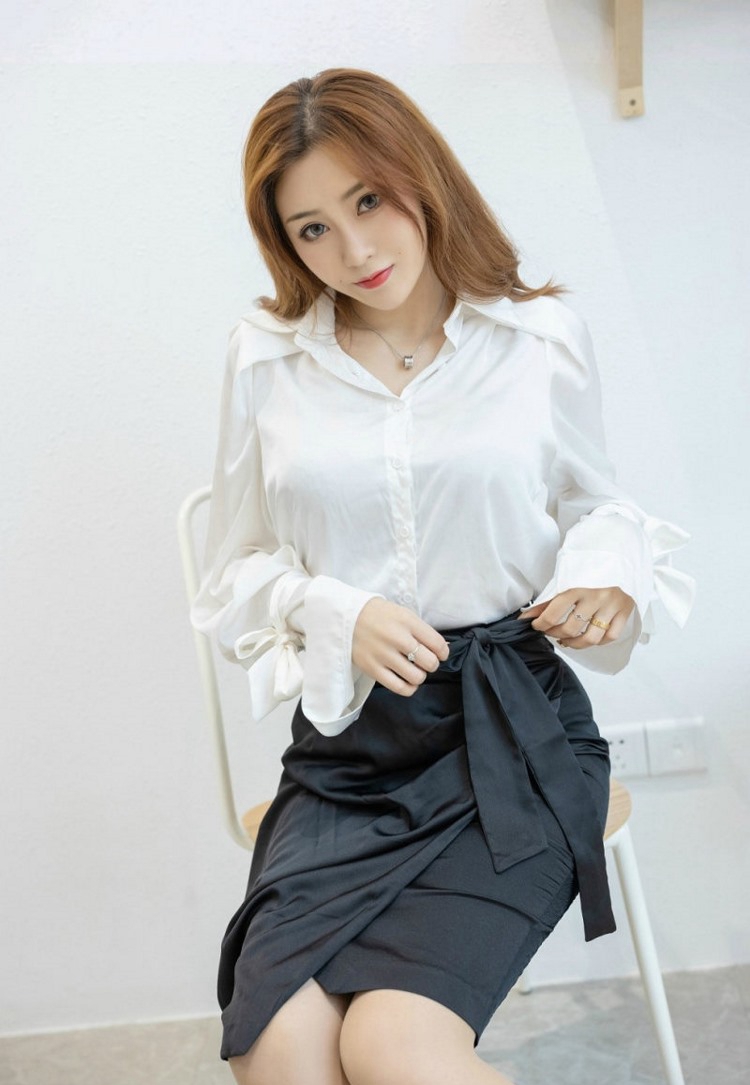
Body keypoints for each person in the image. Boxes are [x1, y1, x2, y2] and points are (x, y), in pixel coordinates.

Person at [190, 68, 694, 1085]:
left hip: (511, 738)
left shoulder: (536, 338)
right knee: (277, 1046)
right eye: (312, 228)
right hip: (350, 756)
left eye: (369, 200)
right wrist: (335, 608)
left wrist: (609, 574)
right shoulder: (265, 359)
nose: (354, 249)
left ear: (421, 178)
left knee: (393, 1045)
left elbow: (595, 504)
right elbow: (232, 569)